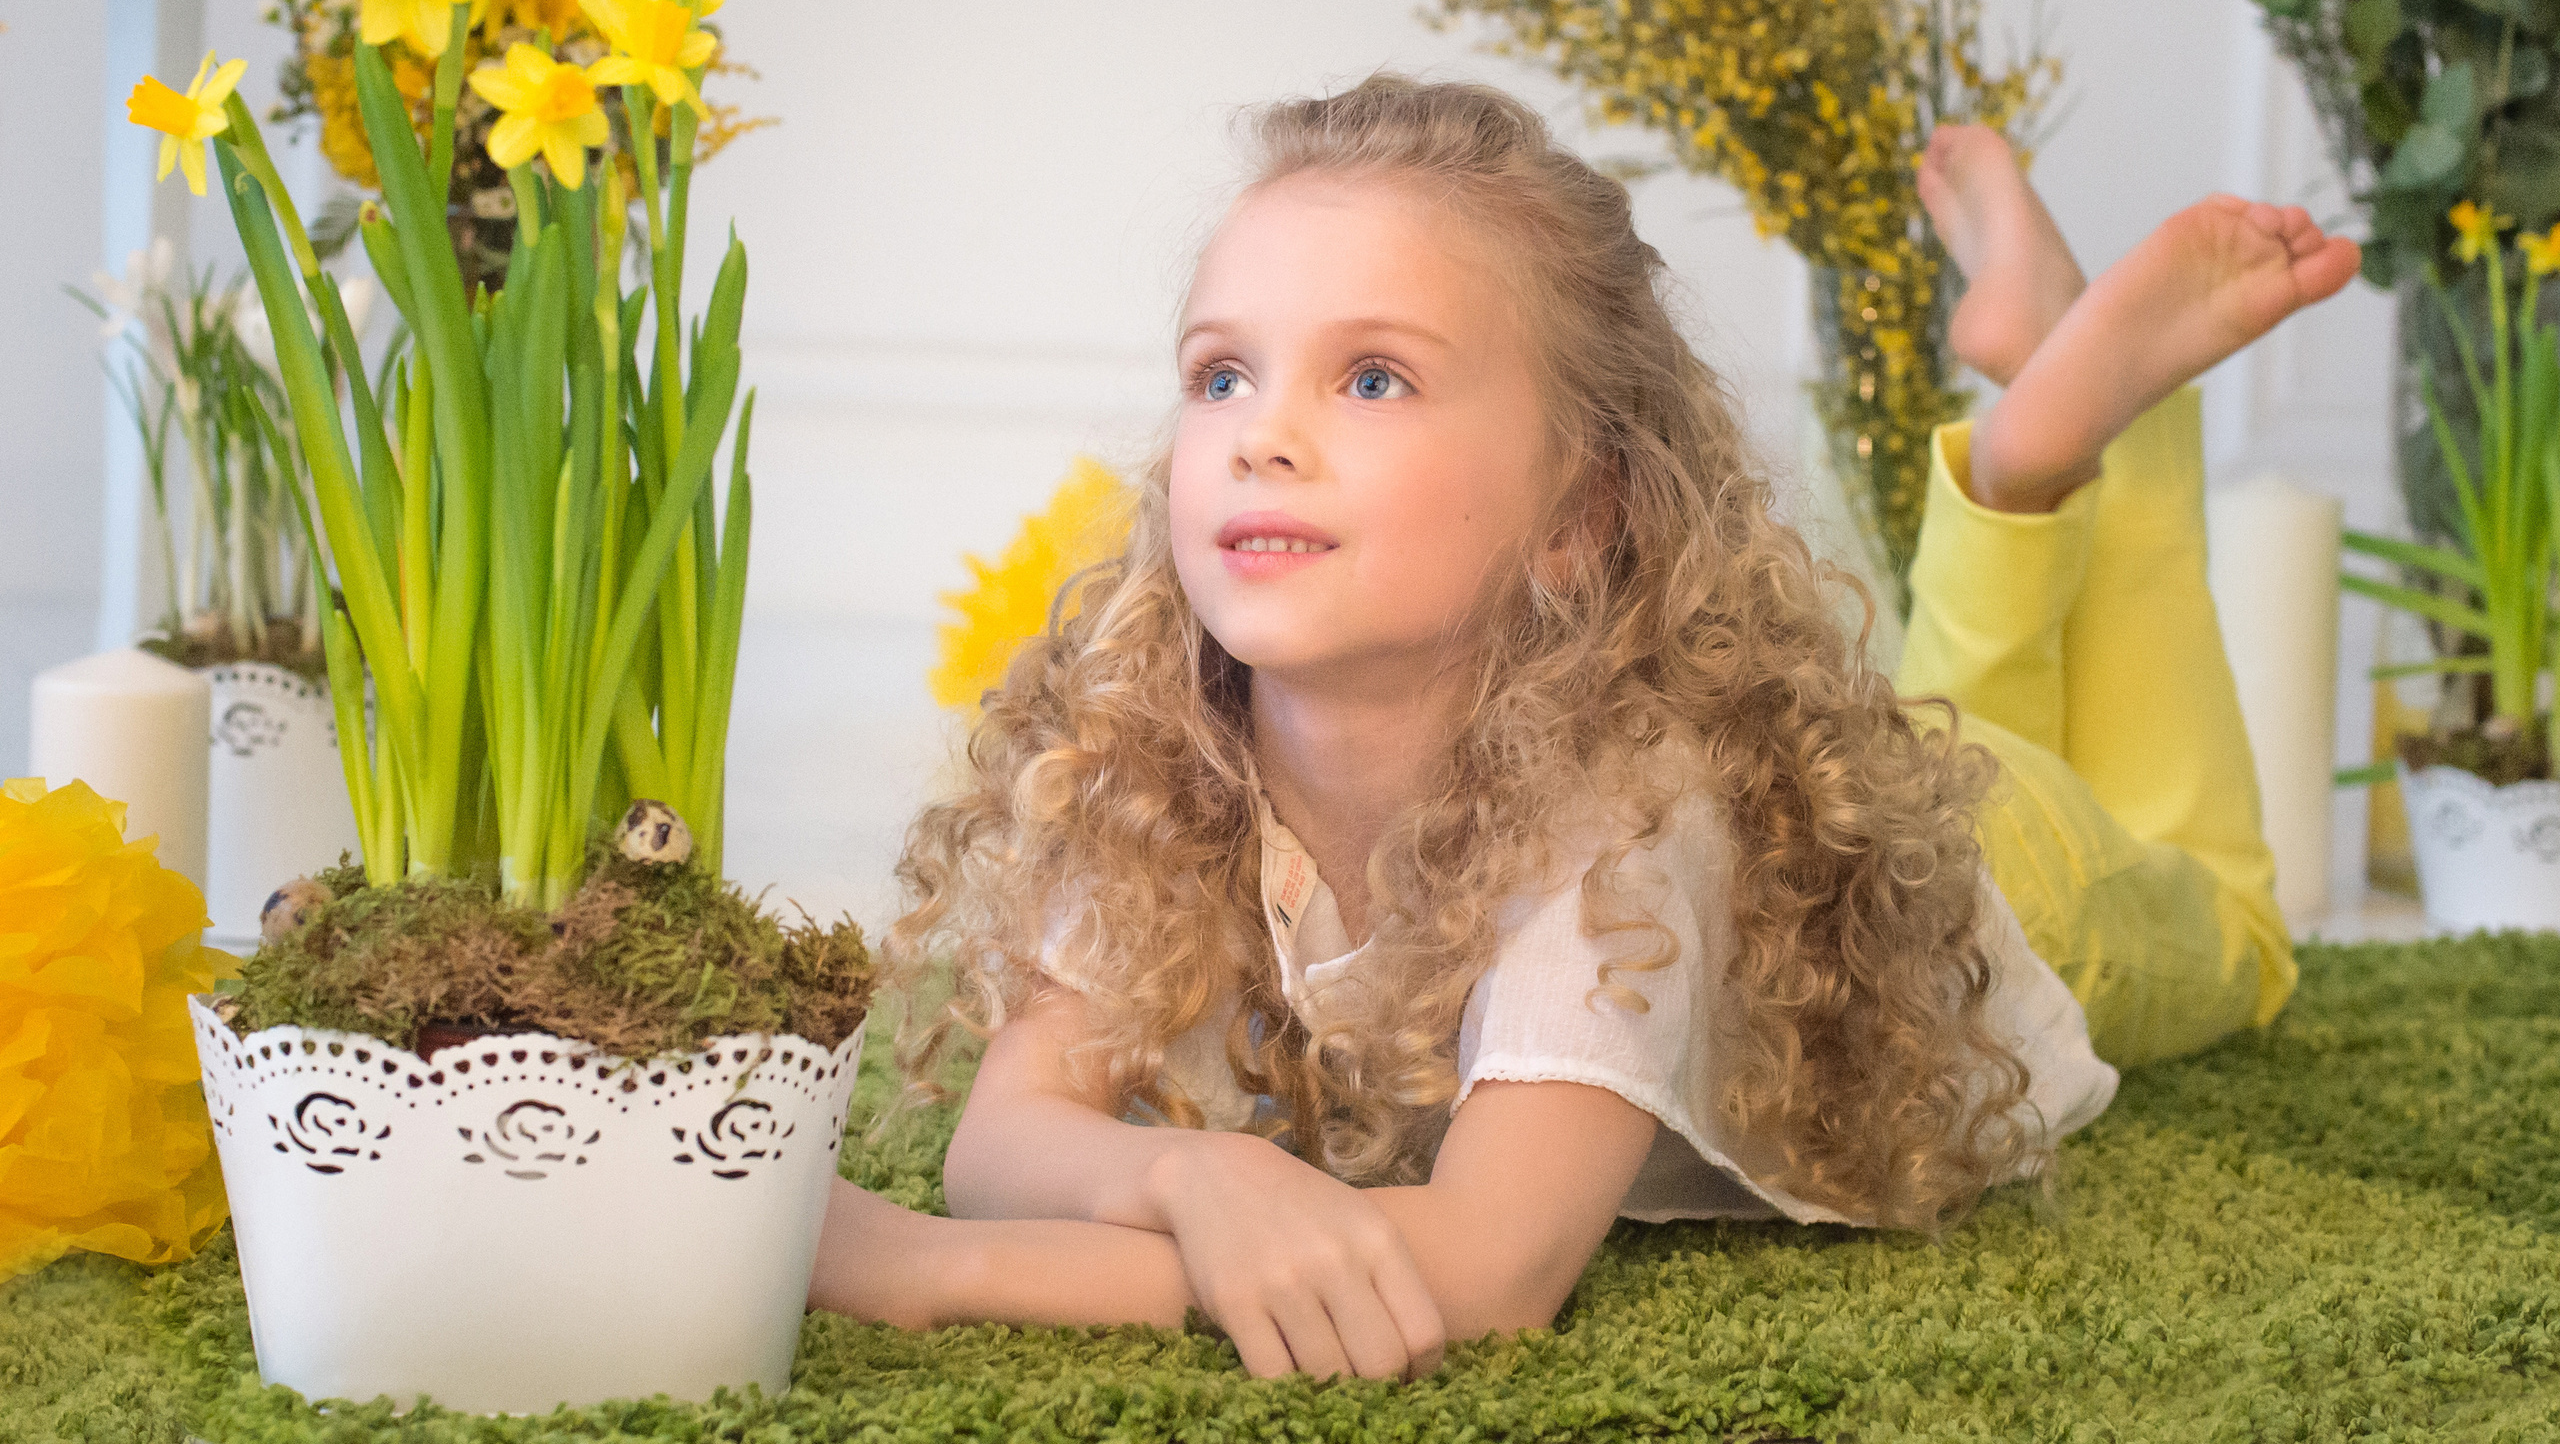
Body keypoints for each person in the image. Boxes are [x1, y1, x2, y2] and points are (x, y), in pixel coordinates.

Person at [803, 75, 2363, 1383]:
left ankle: (2082, 434)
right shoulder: (1157, 750)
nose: (1260, 433)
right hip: (1893, 775)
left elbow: (1484, 1273)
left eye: (1370, 376)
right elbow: (1012, 1129)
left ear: (1579, 509)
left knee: (2230, 917)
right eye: (1222, 372)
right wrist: (1191, 1173)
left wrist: (938, 1273)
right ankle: (2026, 421)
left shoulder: (1620, 815)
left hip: (2004, 878)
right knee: (1936, 724)